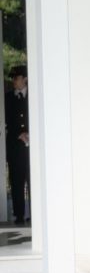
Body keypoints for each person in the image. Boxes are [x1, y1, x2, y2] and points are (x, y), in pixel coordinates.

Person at [4, 64, 29, 225]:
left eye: (17, 78)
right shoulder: (7, 98)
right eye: (13, 78)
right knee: (16, 182)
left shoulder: (34, 96)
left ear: (25, 79)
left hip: (32, 148)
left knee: (33, 180)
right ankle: (19, 216)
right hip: (15, 146)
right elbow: (5, 122)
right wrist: (18, 134)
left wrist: (30, 133)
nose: (14, 81)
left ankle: (36, 214)